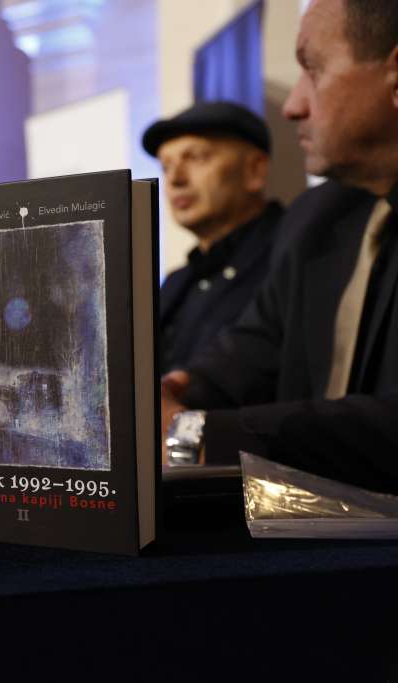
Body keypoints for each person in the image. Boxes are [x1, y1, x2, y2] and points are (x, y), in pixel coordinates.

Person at [161, 0, 398, 495]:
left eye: (313, 69)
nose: (292, 106)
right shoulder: (315, 215)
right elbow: (257, 344)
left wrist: (201, 433)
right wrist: (176, 391)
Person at [143, 101, 283, 374]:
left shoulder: (290, 254)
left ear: (254, 170)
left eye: (196, 158)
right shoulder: (175, 282)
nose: (175, 179)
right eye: (166, 166)